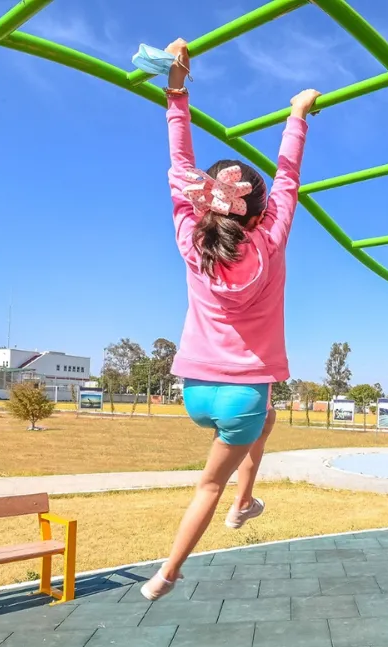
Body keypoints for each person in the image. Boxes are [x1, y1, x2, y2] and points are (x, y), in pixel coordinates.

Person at [142, 38, 319, 601]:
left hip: (196, 389)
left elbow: (180, 164)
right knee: (208, 485)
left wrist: (177, 88)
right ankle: (167, 573)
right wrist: (297, 113)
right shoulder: (272, 239)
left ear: (204, 205)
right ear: (261, 211)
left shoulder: (192, 242)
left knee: (264, 426)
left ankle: (246, 502)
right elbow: (288, 177)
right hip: (244, 391)